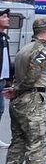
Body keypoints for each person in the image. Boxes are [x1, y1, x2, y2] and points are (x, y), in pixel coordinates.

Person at [5, 17, 46, 164]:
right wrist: (18, 88)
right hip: (32, 101)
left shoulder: (23, 49)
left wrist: (14, 90)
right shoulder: (41, 52)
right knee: (37, 144)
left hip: (18, 101)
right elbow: (31, 77)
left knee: (18, 141)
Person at [0, 9, 13, 138]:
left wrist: (9, 79)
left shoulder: (4, 37)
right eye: (4, 16)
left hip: (2, 80)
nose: (8, 19)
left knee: (0, 110)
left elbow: (6, 59)